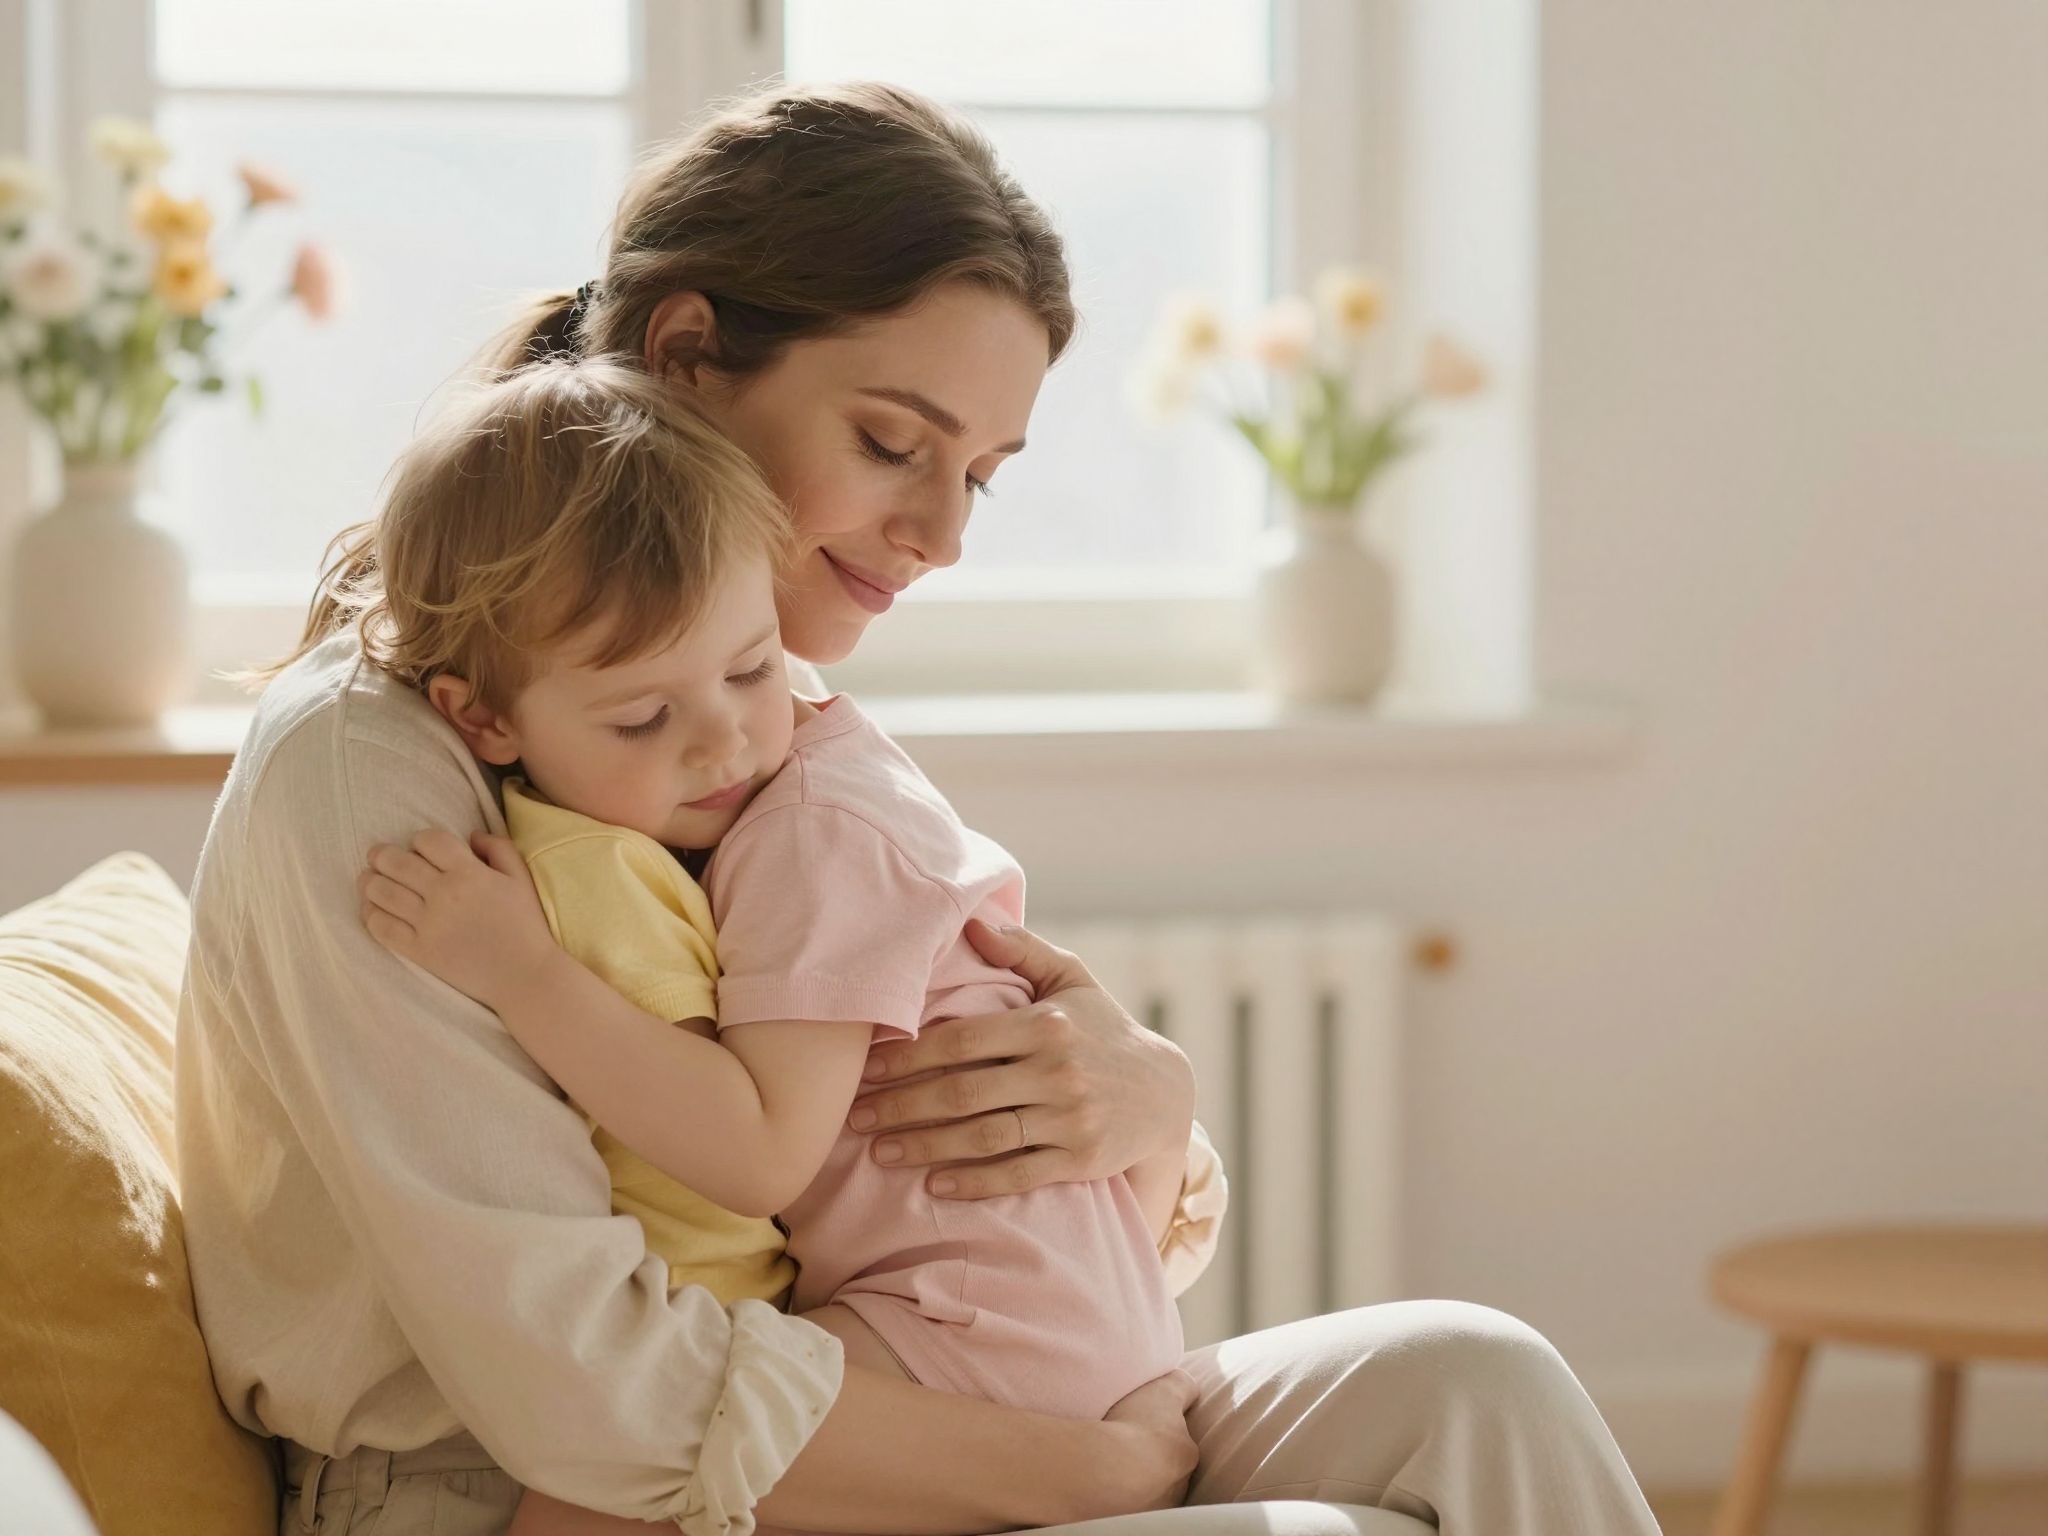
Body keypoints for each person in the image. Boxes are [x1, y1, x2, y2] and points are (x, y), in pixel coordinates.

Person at [176, 80, 1663, 1536]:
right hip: (536, 1484)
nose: (943, 536)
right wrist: (1080, 1478)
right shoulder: (379, 771)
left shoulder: (766, 729)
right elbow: (589, 1389)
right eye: (895, 444)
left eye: (982, 478)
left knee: (1478, 1381)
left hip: (866, 1393)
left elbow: (989, 1227)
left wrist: (1147, 1109)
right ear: (685, 351)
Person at [349, 359, 1189, 1534]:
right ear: (480, 720)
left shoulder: (812, 835)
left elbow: (757, 1156)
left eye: (752, 670)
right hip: (1057, 1310)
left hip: (977, 1324)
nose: (724, 743)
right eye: (645, 716)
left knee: (594, 1499)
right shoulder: (798, 799)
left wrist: (519, 971)